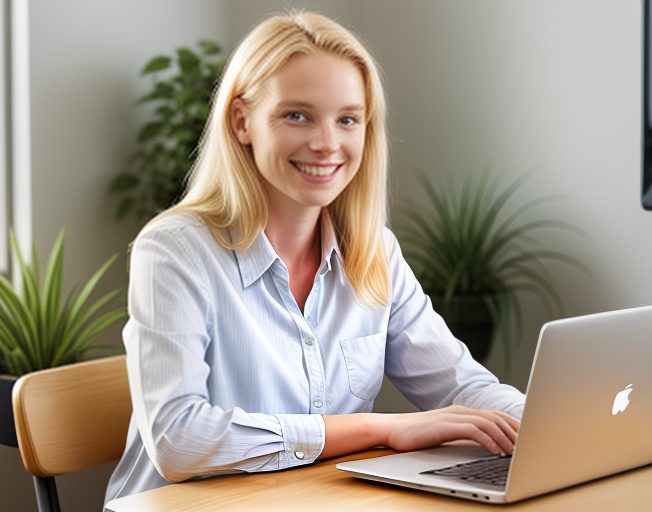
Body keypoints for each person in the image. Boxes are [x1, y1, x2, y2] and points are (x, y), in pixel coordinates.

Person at [104, 11, 525, 504]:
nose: (327, 144)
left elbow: (461, 387)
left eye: (347, 119)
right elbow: (179, 441)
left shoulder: (373, 250)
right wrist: (379, 429)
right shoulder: (175, 251)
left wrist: (548, 425)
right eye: (297, 115)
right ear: (242, 121)